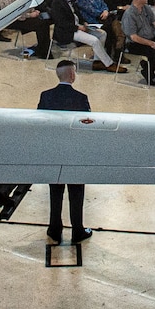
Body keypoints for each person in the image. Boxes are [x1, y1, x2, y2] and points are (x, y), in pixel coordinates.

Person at [38, 61, 92, 243]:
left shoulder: (46, 96)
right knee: (76, 193)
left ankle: (55, 228)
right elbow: (87, 125)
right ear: (71, 75)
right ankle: (78, 230)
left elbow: (40, 124)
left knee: (55, 192)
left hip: (53, 152)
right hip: (75, 153)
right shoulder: (81, 98)